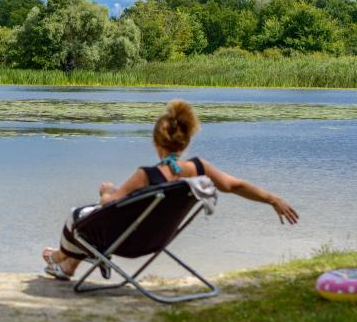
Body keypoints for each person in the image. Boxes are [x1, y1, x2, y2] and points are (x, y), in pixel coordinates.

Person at [42, 99, 299, 280]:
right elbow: (236, 185)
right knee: (92, 222)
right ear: (186, 141)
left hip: (127, 244)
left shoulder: (146, 175)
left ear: (156, 143)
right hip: (158, 241)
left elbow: (108, 206)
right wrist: (272, 199)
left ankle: (59, 257)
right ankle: (67, 266)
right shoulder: (200, 168)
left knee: (78, 216)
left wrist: (107, 191)